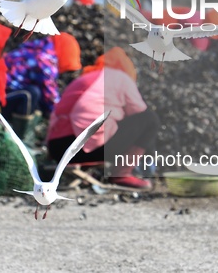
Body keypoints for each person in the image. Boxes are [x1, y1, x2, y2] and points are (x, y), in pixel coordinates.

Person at [46, 47, 160, 189]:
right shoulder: (121, 77)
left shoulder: (85, 79)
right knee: (149, 119)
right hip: (82, 149)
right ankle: (122, 173)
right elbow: (139, 113)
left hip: (57, 149)